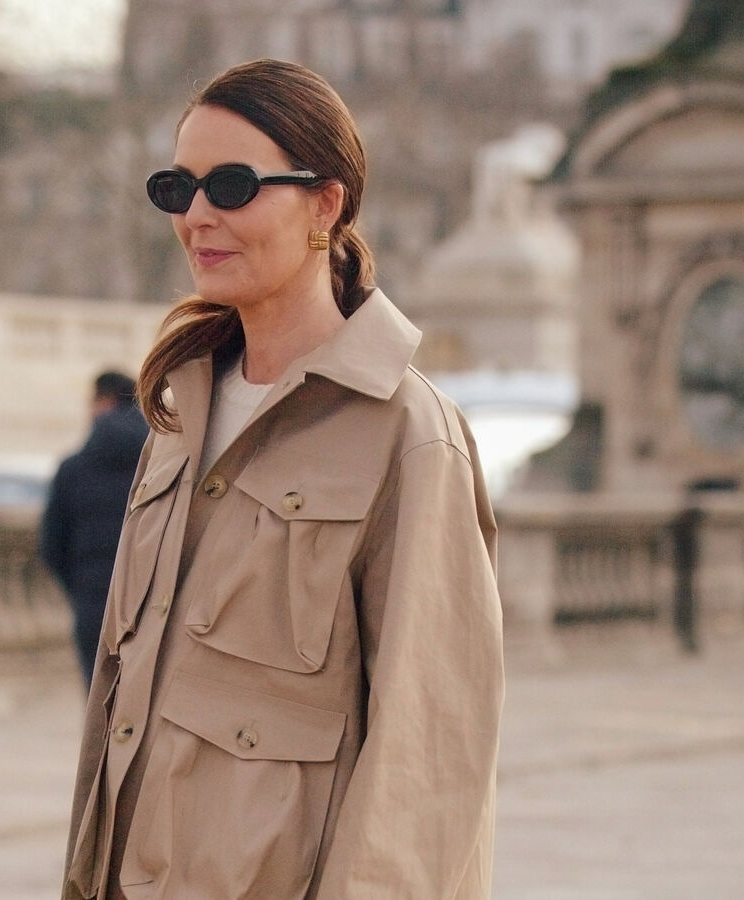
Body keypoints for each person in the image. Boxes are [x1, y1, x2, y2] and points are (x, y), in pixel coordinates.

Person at [62, 59, 503, 900]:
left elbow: (430, 760)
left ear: (326, 204)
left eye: (232, 185)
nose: (197, 217)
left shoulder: (409, 437)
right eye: (176, 187)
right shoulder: (174, 420)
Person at [39, 371, 149, 687]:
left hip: (93, 603)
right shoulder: (162, 462)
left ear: (104, 401)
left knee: (99, 706)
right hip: (152, 604)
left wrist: (82, 588)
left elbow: (50, 546)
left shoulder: (73, 468)